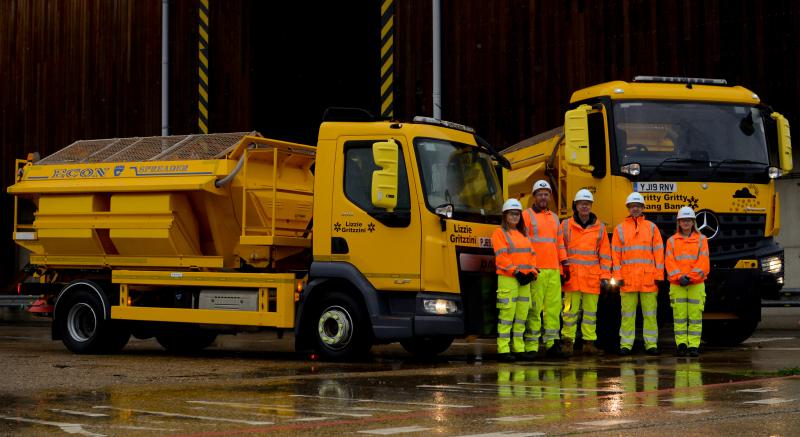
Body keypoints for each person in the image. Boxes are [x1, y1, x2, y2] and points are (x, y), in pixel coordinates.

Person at [611, 192, 665, 356]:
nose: (635, 209)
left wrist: (659, 276)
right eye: (632, 206)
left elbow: (658, 253)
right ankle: (626, 345)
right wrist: (618, 276)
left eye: (638, 206)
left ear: (642, 208)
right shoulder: (620, 228)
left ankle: (651, 345)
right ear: (628, 208)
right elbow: (616, 255)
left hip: (648, 279)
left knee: (650, 315)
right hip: (627, 280)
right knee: (627, 315)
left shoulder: (651, 228)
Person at [560, 189, 612, 356]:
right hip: (572, 277)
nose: (584, 206)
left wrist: (605, 277)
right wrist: (562, 272)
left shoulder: (600, 228)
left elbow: (605, 255)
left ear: (591, 206)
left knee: (590, 313)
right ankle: (568, 342)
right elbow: (560, 250)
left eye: (587, 204)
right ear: (575, 205)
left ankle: (589, 343)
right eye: (582, 203)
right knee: (569, 311)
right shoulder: (566, 225)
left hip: (591, 277)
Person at [522, 180, 568, 358]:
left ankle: (552, 344)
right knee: (534, 309)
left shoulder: (555, 218)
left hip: (554, 270)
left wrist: (564, 266)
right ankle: (531, 346)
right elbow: (523, 243)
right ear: (534, 196)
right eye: (540, 194)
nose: (543, 197)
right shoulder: (526, 216)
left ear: (549, 196)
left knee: (554, 309)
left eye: (546, 194)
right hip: (536, 270)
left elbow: (559, 244)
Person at [492, 198, 538, 362]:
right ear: (505, 216)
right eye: (512, 214)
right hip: (508, 278)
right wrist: (517, 272)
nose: (515, 217)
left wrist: (532, 272)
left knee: (521, 316)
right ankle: (503, 349)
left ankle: (519, 348)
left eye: (517, 214)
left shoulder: (523, 235)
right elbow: (501, 257)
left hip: (524, 280)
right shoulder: (499, 233)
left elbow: (532, 255)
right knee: (507, 315)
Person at [665, 206, 709, 357]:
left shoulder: (702, 239)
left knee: (695, 317)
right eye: (683, 220)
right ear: (679, 222)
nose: (685, 223)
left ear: (693, 222)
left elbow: (703, 262)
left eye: (688, 220)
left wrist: (690, 277)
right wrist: (679, 277)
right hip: (678, 284)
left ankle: (694, 346)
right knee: (679, 316)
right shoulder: (671, 241)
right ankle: (681, 344)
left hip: (695, 284)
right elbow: (669, 262)